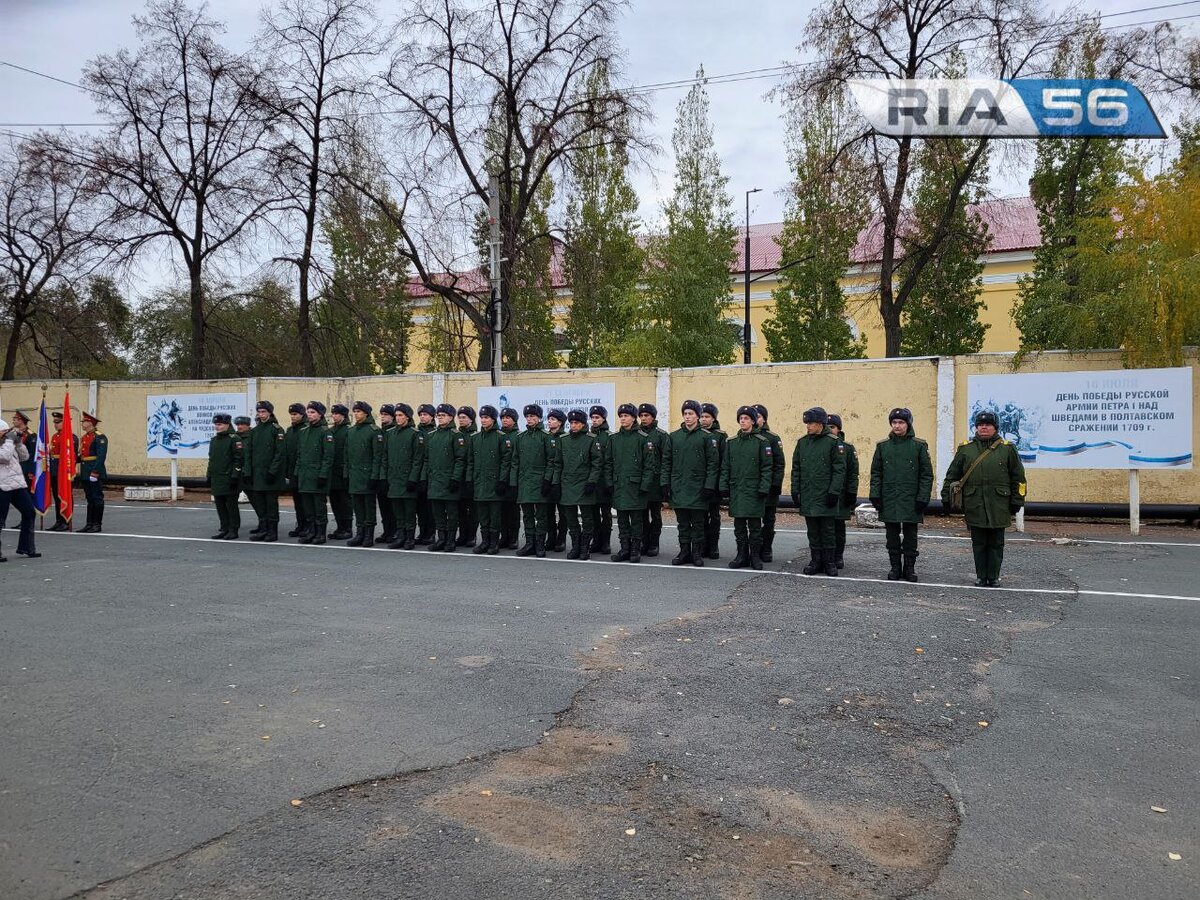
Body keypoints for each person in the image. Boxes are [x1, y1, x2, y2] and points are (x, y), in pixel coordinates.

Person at [941, 410, 1027, 587]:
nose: (984, 427)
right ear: (976, 427)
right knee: (978, 543)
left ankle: (993, 576)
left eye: (988, 424)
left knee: (996, 543)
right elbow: (952, 475)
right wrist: (945, 497)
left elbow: (1018, 478)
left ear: (995, 427)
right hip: (975, 503)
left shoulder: (1007, 449)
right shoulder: (966, 449)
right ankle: (981, 576)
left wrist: (1017, 501)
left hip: (999, 503)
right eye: (980, 424)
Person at [869, 408, 933, 582]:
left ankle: (909, 568)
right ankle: (895, 567)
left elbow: (926, 475)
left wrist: (923, 497)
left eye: (901, 422)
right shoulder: (883, 446)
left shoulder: (919, 446)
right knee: (892, 536)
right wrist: (875, 495)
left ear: (908, 424)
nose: (897, 426)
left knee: (911, 536)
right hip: (889, 497)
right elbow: (876, 472)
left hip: (911, 498)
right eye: (894, 422)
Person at [790, 407, 847, 577]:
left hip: (826, 494)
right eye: (806, 423)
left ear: (821, 424)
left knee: (828, 530)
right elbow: (796, 469)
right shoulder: (802, 443)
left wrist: (834, 492)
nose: (807, 426)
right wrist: (795, 490)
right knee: (813, 530)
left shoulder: (833, 442)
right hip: (808, 494)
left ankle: (829, 562)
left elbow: (839, 470)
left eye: (811, 423)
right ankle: (816, 561)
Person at [662, 399, 720, 567]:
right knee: (683, 523)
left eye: (691, 414)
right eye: (685, 414)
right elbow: (666, 462)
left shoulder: (707, 437)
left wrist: (709, 485)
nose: (687, 417)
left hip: (698, 488)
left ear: (698, 416)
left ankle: (697, 553)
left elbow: (713, 464)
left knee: (698, 523)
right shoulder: (674, 437)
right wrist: (665, 484)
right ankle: (684, 551)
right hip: (679, 486)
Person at [720, 406, 773, 570]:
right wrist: (723, 486)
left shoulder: (762, 442)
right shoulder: (732, 442)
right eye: (740, 418)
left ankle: (755, 557)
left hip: (754, 490)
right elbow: (725, 466)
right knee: (739, 526)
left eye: (746, 418)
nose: (743, 421)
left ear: (752, 421)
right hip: (737, 489)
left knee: (755, 527)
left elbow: (767, 467)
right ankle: (741, 555)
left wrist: (764, 487)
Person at [605, 403, 657, 563]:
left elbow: (650, 466)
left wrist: (644, 485)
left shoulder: (643, 439)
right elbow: (608, 463)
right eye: (621, 416)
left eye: (626, 416)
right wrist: (609, 483)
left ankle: (635, 550)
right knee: (621, 520)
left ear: (633, 418)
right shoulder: (613, 439)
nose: (623, 419)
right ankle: (624, 549)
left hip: (636, 487)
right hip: (619, 486)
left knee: (636, 521)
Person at [509, 404, 557, 558]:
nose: (529, 419)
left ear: (539, 418)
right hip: (524, 481)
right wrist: (513, 483)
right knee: (527, 515)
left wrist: (547, 481)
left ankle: (540, 544)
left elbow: (551, 461)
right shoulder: (520, 437)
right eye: (527, 417)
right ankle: (530, 544)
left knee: (541, 516)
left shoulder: (546, 436)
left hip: (540, 482)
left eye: (532, 417)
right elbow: (515, 461)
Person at [556, 409, 602, 560]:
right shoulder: (563, 439)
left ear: (583, 424)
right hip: (568, 484)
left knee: (588, 519)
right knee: (571, 518)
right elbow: (557, 463)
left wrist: (592, 481)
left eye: (577, 423)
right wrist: (556, 483)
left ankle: (584, 547)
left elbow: (597, 463)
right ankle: (575, 545)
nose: (574, 425)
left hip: (584, 484)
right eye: (572, 423)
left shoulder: (591, 439)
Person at [468, 405, 512, 555]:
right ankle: (485, 541)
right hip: (479, 483)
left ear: (493, 419)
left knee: (495, 516)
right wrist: (469, 480)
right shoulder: (475, 438)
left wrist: (502, 481)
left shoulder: (501, 437)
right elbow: (470, 461)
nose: (484, 420)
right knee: (483, 516)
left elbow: (506, 461)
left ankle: (494, 543)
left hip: (494, 484)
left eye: (487, 417)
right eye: (482, 417)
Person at [381, 403, 425, 550]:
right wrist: (385, 477)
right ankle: (400, 537)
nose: (398, 418)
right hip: (394, 480)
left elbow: (418, 459)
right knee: (398, 512)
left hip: (408, 481)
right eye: (396, 415)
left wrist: (413, 479)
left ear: (407, 416)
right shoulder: (390, 433)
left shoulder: (415, 434)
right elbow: (385, 457)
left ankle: (409, 539)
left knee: (409, 513)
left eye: (401, 415)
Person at [424, 403, 466, 551]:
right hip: (435, 481)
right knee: (438, 513)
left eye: (443, 416)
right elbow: (427, 460)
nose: (440, 418)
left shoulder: (456, 435)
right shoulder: (432, 436)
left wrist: (455, 478)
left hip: (449, 481)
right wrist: (425, 478)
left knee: (452, 513)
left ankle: (450, 540)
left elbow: (460, 460)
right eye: (438, 416)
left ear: (450, 417)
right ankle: (441, 539)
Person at [246, 401, 286, 543]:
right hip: (257, 474)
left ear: (270, 412)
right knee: (260, 503)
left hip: (271, 476)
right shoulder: (254, 431)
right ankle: (263, 529)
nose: (261, 414)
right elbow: (249, 453)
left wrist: (272, 472)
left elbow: (280, 453)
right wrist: (248, 472)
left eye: (264, 411)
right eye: (259, 412)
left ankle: (272, 532)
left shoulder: (277, 429)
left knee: (271, 504)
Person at [294, 401, 334, 545]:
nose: (310, 415)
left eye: (313, 412)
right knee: (308, 507)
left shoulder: (325, 432)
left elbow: (328, 457)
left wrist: (323, 474)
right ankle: (311, 531)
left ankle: (320, 534)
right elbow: (300, 454)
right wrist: (297, 472)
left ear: (320, 414)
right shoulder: (303, 431)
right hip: (305, 476)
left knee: (319, 507)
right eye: (308, 412)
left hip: (317, 476)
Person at [345, 401, 384, 547]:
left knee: (369, 507)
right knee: (357, 506)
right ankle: (359, 533)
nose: (356, 414)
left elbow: (377, 457)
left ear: (366, 414)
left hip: (367, 476)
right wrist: (346, 474)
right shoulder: (351, 431)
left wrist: (374, 476)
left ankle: (369, 535)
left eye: (359, 412)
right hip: (354, 475)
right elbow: (346, 455)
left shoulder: (374, 431)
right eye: (354, 411)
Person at [0, 418, 39, 559]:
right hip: (2, 486)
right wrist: (10, 441)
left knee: (29, 513)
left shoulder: (8, 443)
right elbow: (4, 457)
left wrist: (18, 442)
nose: (6, 434)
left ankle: (27, 547)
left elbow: (25, 456)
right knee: (0, 519)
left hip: (16, 484)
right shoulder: (6, 445)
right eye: (4, 432)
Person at [826, 413, 860, 570]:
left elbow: (853, 473)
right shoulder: (822, 445)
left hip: (841, 494)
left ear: (839, 429)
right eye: (826, 426)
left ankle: (838, 556)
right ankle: (826, 556)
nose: (829, 429)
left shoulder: (847, 448)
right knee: (826, 528)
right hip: (826, 493)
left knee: (839, 528)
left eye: (832, 426)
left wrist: (852, 492)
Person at [753, 404, 786, 562]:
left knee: (768, 520)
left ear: (764, 418)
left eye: (758, 416)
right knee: (753, 520)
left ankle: (766, 548)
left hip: (769, 488)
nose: (755, 419)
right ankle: (754, 549)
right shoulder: (748, 437)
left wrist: (775, 485)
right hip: (753, 487)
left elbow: (779, 464)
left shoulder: (772, 438)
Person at [637, 403, 670, 557]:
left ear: (653, 417)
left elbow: (666, 460)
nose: (643, 419)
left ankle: (654, 543)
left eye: (647, 416)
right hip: (640, 481)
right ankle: (644, 542)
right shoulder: (636, 433)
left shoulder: (661, 436)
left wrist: (664, 483)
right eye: (641, 416)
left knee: (655, 514)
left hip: (655, 482)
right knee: (642, 514)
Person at [206, 413, 244, 540]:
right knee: (220, 505)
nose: (217, 427)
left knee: (231, 506)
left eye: (220, 424)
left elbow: (238, 459)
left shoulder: (235, 439)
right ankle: (224, 528)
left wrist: (235, 475)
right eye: (216, 424)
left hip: (229, 478)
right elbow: (211, 459)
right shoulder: (214, 440)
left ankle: (234, 529)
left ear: (227, 424)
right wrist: (209, 474)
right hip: (217, 478)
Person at [699, 403, 726, 559]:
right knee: (701, 516)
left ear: (714, 418)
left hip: (714, 484)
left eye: (707, 416)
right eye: (702, 416)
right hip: (699, 483)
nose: (704, 419)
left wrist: (720, 484)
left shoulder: (720, 436)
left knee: (714, 516)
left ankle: (713, 546)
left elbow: (723, 461)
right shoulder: (698, 434)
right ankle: (702, 545)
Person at [588, 405, 613, 556]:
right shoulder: (589, 436)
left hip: (604, 482)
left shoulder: (609, 437)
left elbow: (611, 461)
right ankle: (596, 541)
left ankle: (606, 542)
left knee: (606, 514)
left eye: (597, 417)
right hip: (592, 482)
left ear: (603, 418)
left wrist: (609, 482)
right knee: (593, 514)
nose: (594, 420)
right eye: (593, 417)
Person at [49, 410, 78, 531]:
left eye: (58, 422)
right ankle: (58, 520)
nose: (55, 425)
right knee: (56, 496)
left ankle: (66, 521)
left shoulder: (71, 437)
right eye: (54, 422)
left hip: (64, 470)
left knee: (65, 495)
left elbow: (72, 455)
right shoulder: (55, 436)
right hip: (55, 470)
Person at [78, 412, 107, 533]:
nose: (82, 424)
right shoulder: (84, 437)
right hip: (85, 471)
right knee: (89, 498)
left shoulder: (100, 437)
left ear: (90, 423)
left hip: (94, 471)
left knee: (97, 498)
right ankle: (89, 523)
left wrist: (95, 471)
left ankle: (97, 524)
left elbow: (101, 456)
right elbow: (82, 456)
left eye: (84, 421)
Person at [327, 404, 353, 539]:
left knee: (345, 501)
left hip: (343, 471)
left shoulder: (348, 430)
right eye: (333, 413)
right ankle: (339, 527)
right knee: (335, 501)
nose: (334, 416)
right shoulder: (331, 430)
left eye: (337, 413)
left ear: (343, 415)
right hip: (332, 471)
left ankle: (347, 528)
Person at [545, 409, 569, 551]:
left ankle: (561, 539)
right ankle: (551, 537)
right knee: (548, 512)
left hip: (561, 480)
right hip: (548, 479)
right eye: (549, 419)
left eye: (553, 419)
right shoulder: (545, 437)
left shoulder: (565, 438)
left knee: (563, 513)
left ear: (560, 422)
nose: (549, 421)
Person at [455, 406, 479, 548]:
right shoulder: (456, 435)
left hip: (471, 478)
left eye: (464, 417)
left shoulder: (475, 435)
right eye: (460, 417)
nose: (462, 420)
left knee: (473, 510)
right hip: (458, 478)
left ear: (471, 419)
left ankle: (472, 536)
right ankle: (463, 534)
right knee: (460, 509)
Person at [414, 403, 438, 545]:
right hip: (417, 475)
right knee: (420, 508)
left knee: (431, 508)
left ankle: (431, 533)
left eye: (425, 415)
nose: (423, 417)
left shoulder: (433, 433)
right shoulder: (416, 432)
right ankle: (422, 532)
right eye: (421, 415)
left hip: (430, 475)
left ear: (432, 416)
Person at [498, 407, 521, 550]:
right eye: (503, 418)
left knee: (513, 511)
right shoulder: (499, 435)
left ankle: (513, 538)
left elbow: (515, 461)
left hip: (513, 480)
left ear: (514, 420)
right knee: (501, 510)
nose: (505, 420)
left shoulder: (518, 436)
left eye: (508, 418)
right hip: (500, 479)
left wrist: (513, 482)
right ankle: (504, 536)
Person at [284, 403, 308, 538]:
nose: (293, 417)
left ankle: (307, 526)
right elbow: (287, 452)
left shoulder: (305, 429)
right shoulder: (290, 430)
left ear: (302, 415)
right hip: (292, 471)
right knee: (297, 502)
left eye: (295, 414)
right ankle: (300, 525)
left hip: (302, 470)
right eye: (291, 414)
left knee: (305, 502)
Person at [375, 404, 398, 544]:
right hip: (379, 474)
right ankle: (387, 531)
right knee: (383, 506)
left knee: (393, 506)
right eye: (381, 414)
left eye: (386, 414)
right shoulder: (379, 432)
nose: (383, 416)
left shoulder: (393, 432)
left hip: (392, 475)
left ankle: (394, 531)